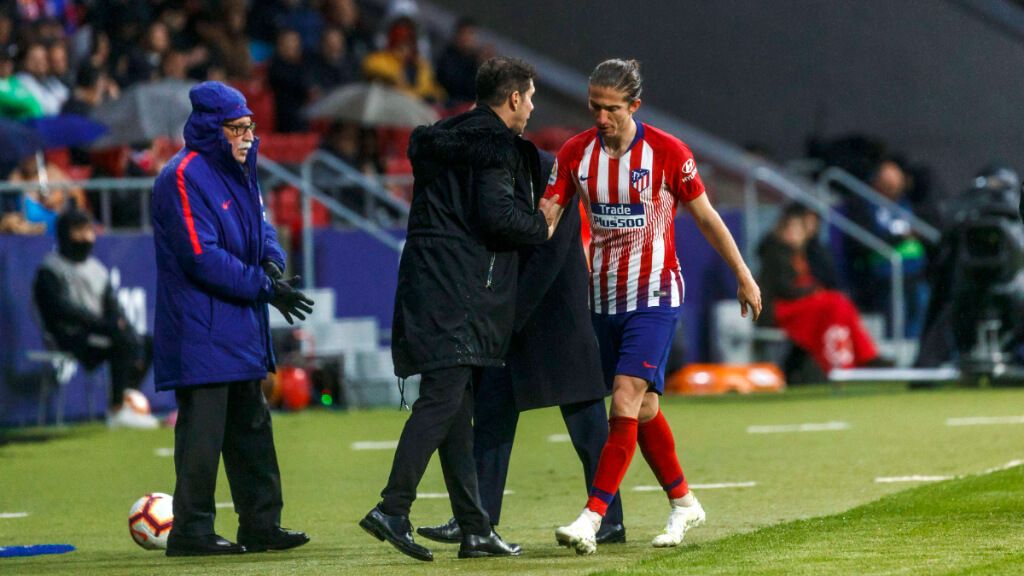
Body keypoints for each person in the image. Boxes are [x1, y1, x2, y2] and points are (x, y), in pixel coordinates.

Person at [544, 59, 762, 555]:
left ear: (634, 107)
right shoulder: (576, 153)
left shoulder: (667, 152)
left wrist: (744, 276)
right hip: (602, 297)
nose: (600, 117)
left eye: (611, 108)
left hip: (656, 296)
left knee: (623, 397)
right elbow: (548, 215)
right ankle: (684, 502)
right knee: (643, 409)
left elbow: (706, 219)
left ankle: (591, 518)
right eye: (594, 106)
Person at [358, 57, 559, 562]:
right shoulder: (495, 149)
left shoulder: (441, 142)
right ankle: (392, 508)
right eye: (530, 97)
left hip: (428, 280)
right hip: (461, 289)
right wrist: (541, 222)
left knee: (455, 407)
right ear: (512, 98)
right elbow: (498, 218)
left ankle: (474, 527)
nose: (533, 107)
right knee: (444, 399)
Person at [415, 153, 626, 549]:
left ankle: (608, 517)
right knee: (492, 419)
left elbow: (549, 253)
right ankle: (475, 521)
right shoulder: (495, 170)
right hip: (514, 316)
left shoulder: (547, 170)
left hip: (554, 314)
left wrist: (505, 317)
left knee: (588, 427)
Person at [152, 81, 314, 557]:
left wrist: (271, 264)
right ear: (210, 127)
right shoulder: (180, 176)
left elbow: (262, 227)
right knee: (202, 436)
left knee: (252, 430)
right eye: (236, 127)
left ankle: (261, 524)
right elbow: (201, 256)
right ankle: (191, 532)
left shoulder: (242, 171)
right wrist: (265, 287)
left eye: (249, 126)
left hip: (239, 322)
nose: (246, 136)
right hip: (201, 325)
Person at [32, 208, 157, 429]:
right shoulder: (50, 269)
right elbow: (60, 310)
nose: (86, 236)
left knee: (144, 342)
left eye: (89, 230)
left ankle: (127, 399)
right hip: (68, 335)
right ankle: (117, 409)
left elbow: (112, 306)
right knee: (120, 341)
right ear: (64, 234)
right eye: (79, 231)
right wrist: (107, 326)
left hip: (98, 333)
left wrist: (120, 324)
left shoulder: (97, 269)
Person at [758, 203, 882, 373]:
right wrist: (813, 292)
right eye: (792, 229)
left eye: (799, 229)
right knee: (834, 304)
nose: (796, 234)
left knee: (840, 303)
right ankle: (841, 362)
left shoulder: (802, 253)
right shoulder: (775, 253)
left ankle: (866, 357)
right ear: (782, 230)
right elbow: (784, 290)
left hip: (798, 306)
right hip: (779, 310)